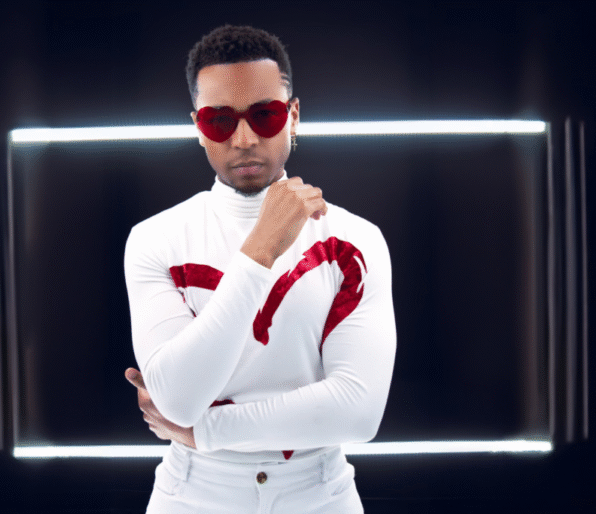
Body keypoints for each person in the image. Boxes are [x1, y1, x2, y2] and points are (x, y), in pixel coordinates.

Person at [123, 24, 396, 514]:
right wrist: (261, 249)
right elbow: (178, 399)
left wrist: (205, 431)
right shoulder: (155, 239)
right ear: (197, 126)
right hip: (190, 497)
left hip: (321, 495)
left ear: (294, 116)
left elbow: (358, 412)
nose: (244, 139)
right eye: (220, 121)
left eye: (264, 115)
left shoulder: (355, 240)